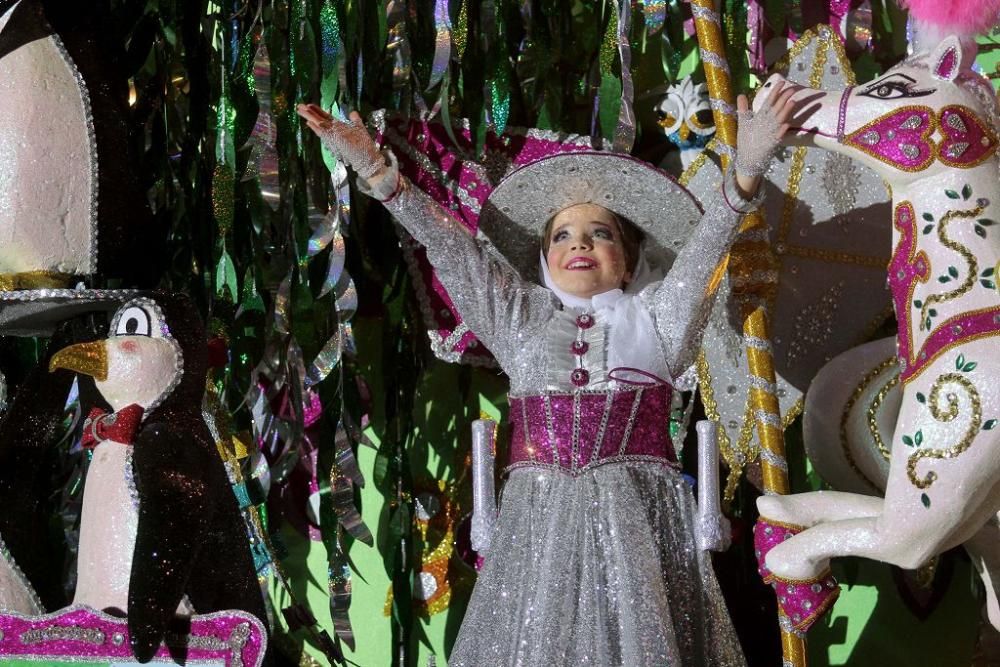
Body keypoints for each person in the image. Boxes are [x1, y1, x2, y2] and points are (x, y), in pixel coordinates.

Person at [298, 79, 799, 666]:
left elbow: (706, 252)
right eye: (562, 234)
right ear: (543, 258)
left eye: (600, 232)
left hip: (637, 530)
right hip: (539, 535)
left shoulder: (659, 322)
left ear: (630, 256)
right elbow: (452, 249)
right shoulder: (522, 321)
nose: (579, 243)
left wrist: (743, 176)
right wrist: (385, 181)